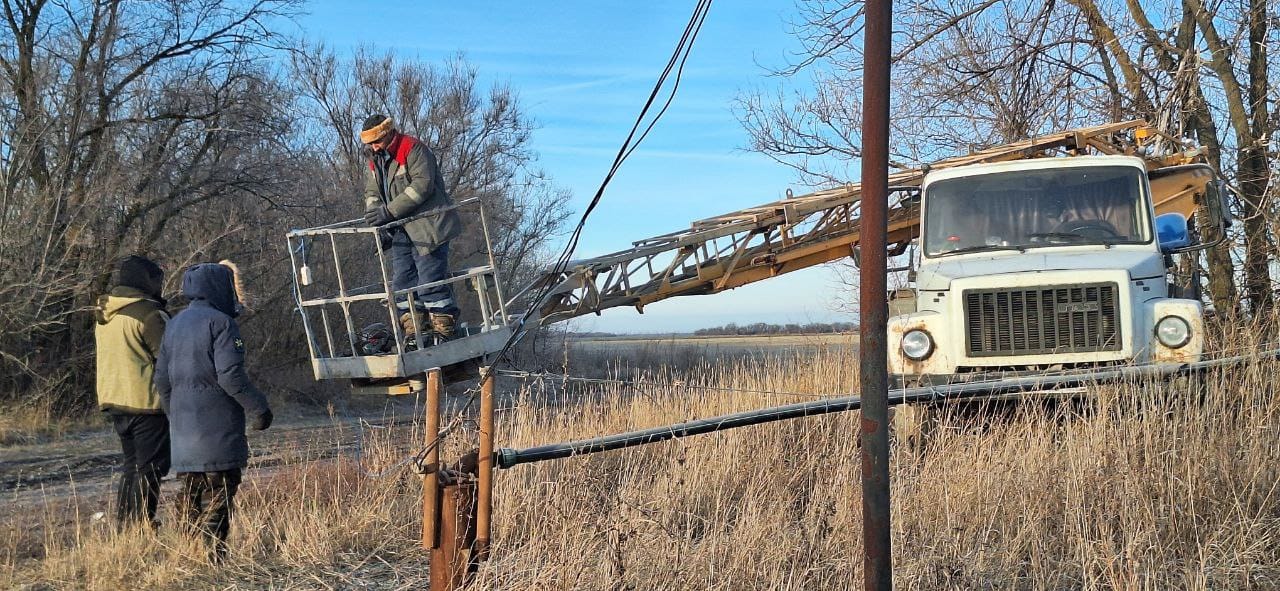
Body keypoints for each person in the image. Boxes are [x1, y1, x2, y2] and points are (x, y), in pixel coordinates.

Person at [155, 261, 272, 561]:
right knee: (219, 495)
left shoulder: (174, 324)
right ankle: (214, 559)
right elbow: (230, 376)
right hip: (217, 426)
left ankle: (186, 557)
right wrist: (259, 409)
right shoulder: (221, 323)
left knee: (190, 494)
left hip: (184, 428)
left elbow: (161, 380)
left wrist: (175, 416)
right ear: (221, 288)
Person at [359, 114, 462, 340]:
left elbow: (422, 186)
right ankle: (415, 331)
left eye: (376, 142)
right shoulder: (374, 160)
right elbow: (372, 192)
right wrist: (378, 218)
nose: (373, 148)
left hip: (429, 227)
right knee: (403, 283)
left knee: (430, 281)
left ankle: (442, 329)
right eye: (369, 144)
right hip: (401, 230)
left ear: (388, 135)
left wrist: (389, 212)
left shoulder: (413, 149)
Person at [94, 255, 170, 530]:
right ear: (147, 281)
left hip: (114, 398)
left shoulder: (106, 312)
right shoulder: (149, 314)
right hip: (146, 402)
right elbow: (168, 358)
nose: (160, 286)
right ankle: (140, 525)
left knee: (131, 466)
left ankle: (126, 525)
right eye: (157, 280)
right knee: (151, 467)